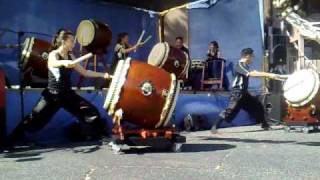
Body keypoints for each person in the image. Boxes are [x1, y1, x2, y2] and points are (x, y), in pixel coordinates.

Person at [6, 29, 112, 146]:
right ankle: (11, 141)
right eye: (71, 41)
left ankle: (96, 136)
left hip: (67, 95)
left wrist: (103, 75)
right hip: (52, 95)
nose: (74, 43)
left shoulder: (71, 56)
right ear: (63, 42)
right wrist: (63, 63)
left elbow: (85, 72)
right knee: (33, 120)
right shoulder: (53, 54)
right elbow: (54, 63)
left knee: (91, 111)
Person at [210, 48, 280, 134]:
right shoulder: (239, 65)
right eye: (252, 56)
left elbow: (254, 72)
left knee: (257, 105)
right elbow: (251, 73)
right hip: (237, 93)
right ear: (247, 56)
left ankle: (264, 124)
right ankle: (214, 127)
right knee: (229, 110)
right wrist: (268, 75)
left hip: (243, 93)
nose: (253, 58)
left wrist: (269, 75)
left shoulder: (245, 66)